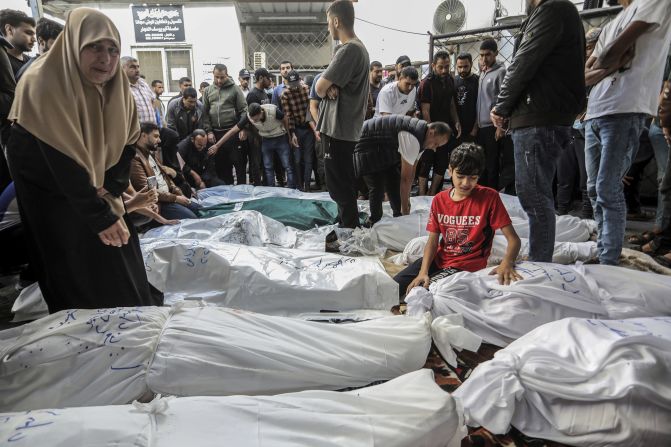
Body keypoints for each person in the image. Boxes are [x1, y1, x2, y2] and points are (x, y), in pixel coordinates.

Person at [5, 8, 162, 312]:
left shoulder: (117, 87)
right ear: (74, 44)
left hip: (93, 183)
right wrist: (98, 214)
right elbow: (58, 158)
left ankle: (130, 309)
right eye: (94, 47)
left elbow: (128, 143)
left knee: (120, 252)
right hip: (48, 182)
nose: (105, 58)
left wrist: (112, 189)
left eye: (113, 50)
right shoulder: (43, 82)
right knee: (72, 255)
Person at [490, 0, 585, 263]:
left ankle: (539, 262)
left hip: (539, 118)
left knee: (533, 195)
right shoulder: (557, 13)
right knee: (536, 193)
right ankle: (540, 257)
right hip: (543, 115)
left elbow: (524, 61)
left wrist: (502, 106)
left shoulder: (552, 10)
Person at [583, 0, 671, 265]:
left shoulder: (654, 2)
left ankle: (608, 260)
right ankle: (603, 249)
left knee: (607, 188)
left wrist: (605, 62)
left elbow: (608, 56)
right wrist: (610, 62)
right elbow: (585, 73)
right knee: (592, 189)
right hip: (595, 112)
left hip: (625, 109)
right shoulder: (610, 25)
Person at [393, 143, 521, 298]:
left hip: (467, 265)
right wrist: (422, 272)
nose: (466, 183)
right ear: (450, 170)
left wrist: (507, 263)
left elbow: (514, 240)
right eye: (460, 176)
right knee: (394, 287)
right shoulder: (439, 200)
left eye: (473, 178)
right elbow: (432, 242)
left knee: (420, 294)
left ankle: (407, 305)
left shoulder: (490, 198)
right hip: (439, 259)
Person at [315, 0, 370, 228]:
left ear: (336, 21)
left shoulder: (349, 50)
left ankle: (348, 228)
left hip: (339, 128)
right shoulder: (357, 49)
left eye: (329, 22)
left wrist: (325, 85)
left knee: (339, 183)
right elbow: (326, 84)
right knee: (342, 179)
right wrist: (329, 85)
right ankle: (346, 222)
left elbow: (319, 88)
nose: (328, 27)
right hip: (343, 128)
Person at [354, 116, 451, 225]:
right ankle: (374, 221)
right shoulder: (413, 138)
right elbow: (405, 179)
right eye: (436, 144)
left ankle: (398, 215)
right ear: (431, 133)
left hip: (383, 148)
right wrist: (406, 211)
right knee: (377, 187)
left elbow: (412, 172)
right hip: (364, 142)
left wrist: (407, 200)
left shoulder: (422, 137)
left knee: (394, 180)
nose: (434, 148)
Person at [556, 27, 601, 218]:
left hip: (589, 127)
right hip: (569, 127)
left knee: (587, 177)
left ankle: (587, 213)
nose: (586, 52)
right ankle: (561, 210)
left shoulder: (605, 67)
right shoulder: (573, 66)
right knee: (564, 174)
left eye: (590, 47)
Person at [209, 102, 296, 188]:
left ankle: (292, 188)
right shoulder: (249, 116)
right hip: (266, 140)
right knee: (268, 167)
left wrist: (289, 136)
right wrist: (217, 145)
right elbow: (233, 130)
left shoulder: (273, 111)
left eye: (255, 119)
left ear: (260, 112)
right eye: (252, 119)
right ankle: (271, 189)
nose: (254, 121)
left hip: (280, 138)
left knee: (287, 165)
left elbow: (285, 118)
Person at [130, 122, 198, 220]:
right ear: (143, 136)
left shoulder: (150, 154)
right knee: (192, 218)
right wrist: (175, 198)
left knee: (198, 209)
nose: (160, 140)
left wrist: (177, 192)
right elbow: (147, 190)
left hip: (169, 197)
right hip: (160, 203)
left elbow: (165, 178)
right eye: (156, 136)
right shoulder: (135, 159)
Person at [417, 50, 461, 195]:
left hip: (445, 131)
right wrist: (431, 135)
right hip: (429, 131)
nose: (444, 70)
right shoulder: (426, 84)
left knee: (441, 164)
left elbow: (451, 104)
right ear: (433, 65)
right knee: (425, 163)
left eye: (447, 66)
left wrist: (456, 121)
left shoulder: (450, 80)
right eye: (441, 67)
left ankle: (432, 194)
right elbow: (425, 111)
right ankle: (422, 194)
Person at [474, 39, 514, 192]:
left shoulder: (501, 72)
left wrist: (501, 127)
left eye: (488, 55)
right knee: (482, 163)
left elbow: (503, 101)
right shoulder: (483, 72)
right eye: (482, 55)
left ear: (496, 54)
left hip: (493, 126)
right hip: (481, 127)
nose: (484, 59)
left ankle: (492, 195)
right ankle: (482, 192)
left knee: (492, 163)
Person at [202, 64, 248, 185]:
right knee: (222, 166)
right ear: (213, 74)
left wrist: (243, 128)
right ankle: (227, 192)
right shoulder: (208, 91)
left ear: (226, 75)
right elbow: (205, 113)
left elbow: (244, 110)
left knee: (239, 164)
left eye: (222, 77)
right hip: (215, 133)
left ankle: (242, 190)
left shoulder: (235, 89)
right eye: (217, 77)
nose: (219, 80)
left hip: (233, 131)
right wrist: (209, 131)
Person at [281, 70, 317, 191]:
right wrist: (292, 134)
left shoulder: (307, 90)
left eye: (295, 83)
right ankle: (299, 185)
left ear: (299, 80)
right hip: (296, 129)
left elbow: (311, 110)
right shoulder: (285, 94)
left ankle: (306, 185)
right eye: (291, 84)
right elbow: (288, 115)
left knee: (308, 158)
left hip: (309, 129)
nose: (294, 86)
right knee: (297, 159)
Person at [122, 56, 159, 125]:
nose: (137, 70)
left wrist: (150, 113)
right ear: (122, 69)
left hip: (151, 129)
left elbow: (154, 100)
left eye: (138, 67)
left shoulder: (143, 83)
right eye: (132, 67)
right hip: (135, 131)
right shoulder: (121, 87)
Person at [0, 9, 35, 76]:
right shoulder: (2, 63)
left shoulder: (33, 62)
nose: (34, 39)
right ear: (9, 30)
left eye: (34, 34)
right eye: (28, 33)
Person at [454, 53, 478, 143]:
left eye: (465, 66)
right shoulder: (453, 81)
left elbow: (481, 107)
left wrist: (475, 129)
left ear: (471, 64)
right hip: (457, 129)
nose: (462, 69)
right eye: (459, 67)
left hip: (473, 130)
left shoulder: (477, 81)